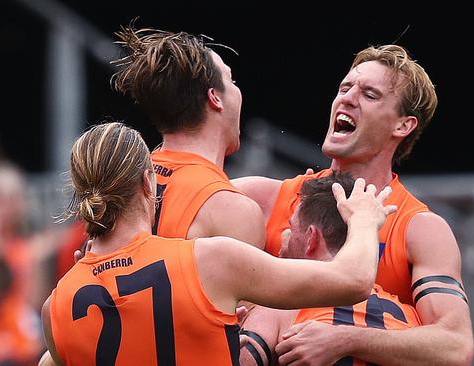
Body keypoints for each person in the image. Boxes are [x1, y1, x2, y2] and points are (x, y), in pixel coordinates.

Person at [39, 122, 396, 365]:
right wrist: (364, 219)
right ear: (149, 184)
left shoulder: (56, 306)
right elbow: (353, 280)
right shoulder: (209, 261)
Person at [233, 45, 474, 365]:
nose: (347, 98)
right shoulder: (262, 199)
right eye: (345, 88)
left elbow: (456, 346)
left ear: (403, 126)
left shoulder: (420, 228)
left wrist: (345, 338)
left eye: (370, 94)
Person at [239, 173, 420, 366]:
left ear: (311, 239)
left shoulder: (279, 309)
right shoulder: (412, 322)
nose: (284, 236)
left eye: (291, 228)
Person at [110, 25, 265, 248]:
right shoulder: (231, 210)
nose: (237, 90)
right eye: (232, 81)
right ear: (215, 98)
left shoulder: (120, 185)